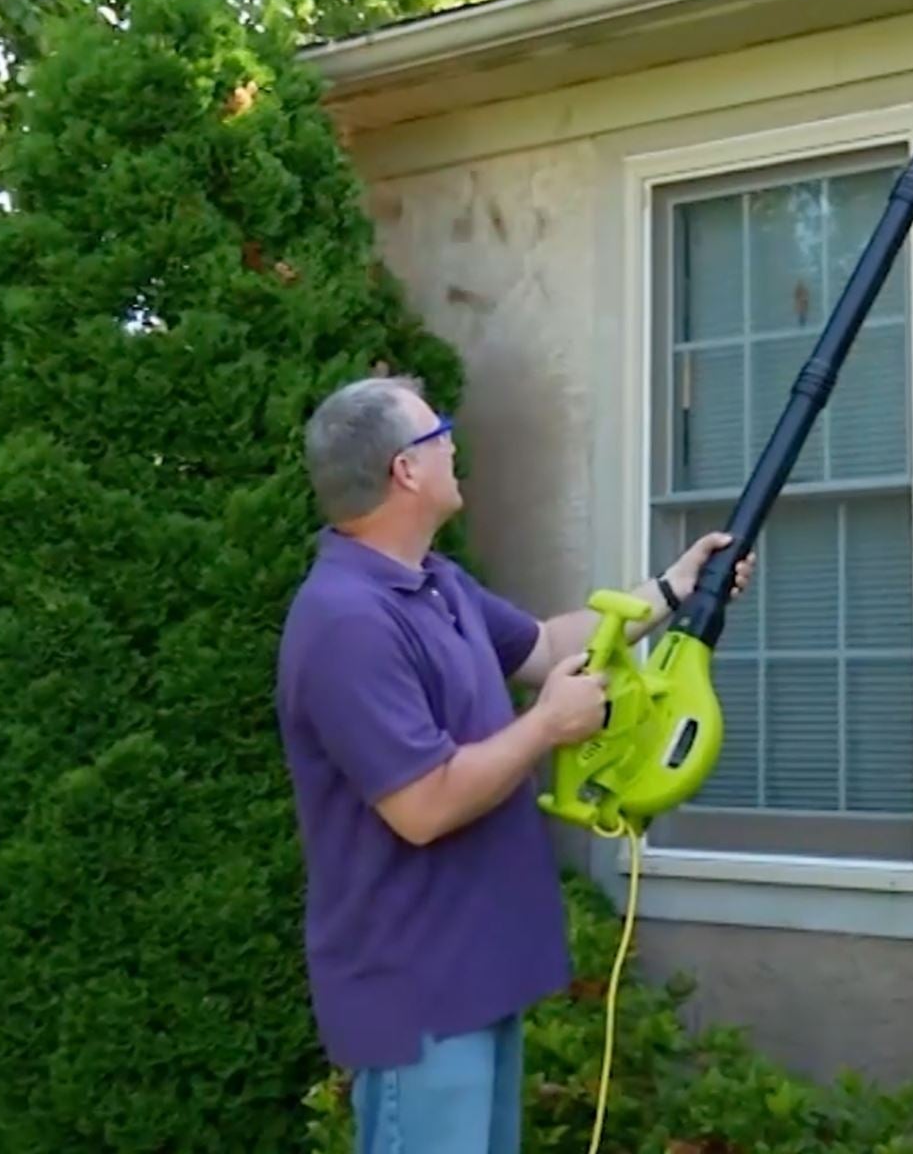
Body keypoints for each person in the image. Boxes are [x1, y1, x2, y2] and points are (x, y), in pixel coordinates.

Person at [275, 373, 754, 1154]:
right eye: (440, 433)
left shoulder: (435, 586)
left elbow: (548, 647)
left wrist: (675, 588)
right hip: (417, 992)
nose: (453, 444)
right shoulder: (346, 622)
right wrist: (544, 730)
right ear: (405, 469)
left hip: (477, 974)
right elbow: (421, 806)